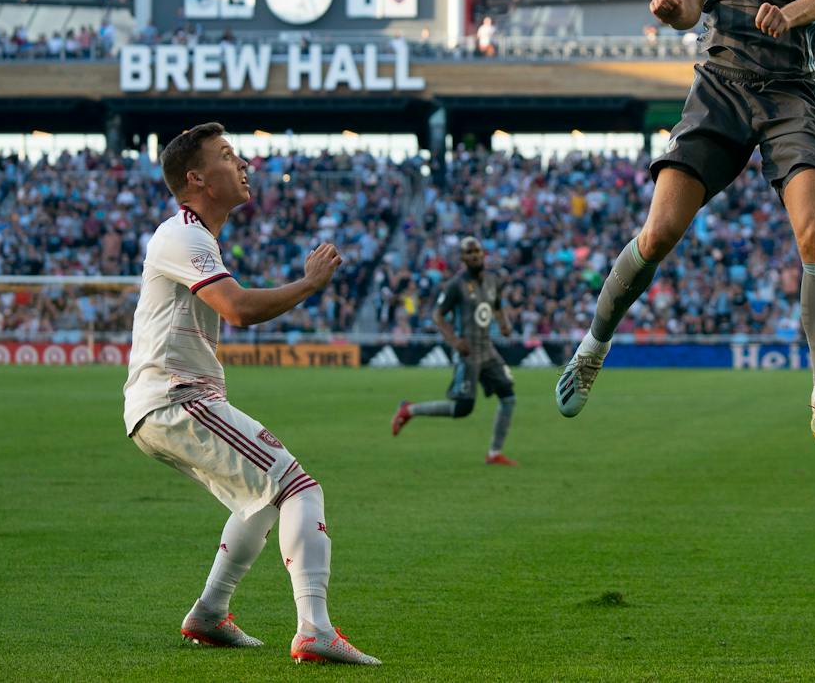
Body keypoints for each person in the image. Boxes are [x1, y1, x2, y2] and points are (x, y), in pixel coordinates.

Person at [555, 0, 815, 454]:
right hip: (718, 92)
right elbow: (692, 4)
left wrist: (793, 11)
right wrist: (671, 9)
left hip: (787, 96)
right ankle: (592, 347)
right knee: (659, 231)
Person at [122, 122, 379, 666]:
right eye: (228, 156)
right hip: (176, 400)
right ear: (197, 178)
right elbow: (238, 309)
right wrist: (309, 285)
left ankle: (210, 614)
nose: (243, 165)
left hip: (165, 404)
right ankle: (315, 628)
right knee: (298, 486)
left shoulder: (196, 237)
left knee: (260, 502)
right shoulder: (182, 234)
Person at [391, 235, 518, 466]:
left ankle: (494, 453)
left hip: (487, 349)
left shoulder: (493, 280)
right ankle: (410, 409)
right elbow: (437, 316)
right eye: (469, 253)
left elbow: (496, 305)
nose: (474, 255)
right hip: (468, 352)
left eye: (477, 251)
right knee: (463, 409)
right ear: (462, 258)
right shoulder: (455, 285)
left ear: (483, 253)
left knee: (508, 397)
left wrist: (504, 324)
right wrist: (454, 340)